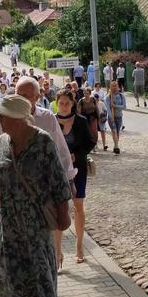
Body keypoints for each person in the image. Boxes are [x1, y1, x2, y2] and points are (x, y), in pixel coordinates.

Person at [0, 94, 72, 297]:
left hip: (36, 219)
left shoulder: (43, 142)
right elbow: (0, 172)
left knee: (40, 265)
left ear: (17, 118)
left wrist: (64, 215)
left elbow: (59, 182)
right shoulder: (2, 142)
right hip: (9, 219)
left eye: (3, 117)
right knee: (7, 266)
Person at [0, 77, 76, 269]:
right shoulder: (3, 119)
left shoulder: (47, 118)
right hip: (10, 192)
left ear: (37, 97)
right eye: (18, 94)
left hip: (41, 194)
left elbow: (61, 152)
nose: (21, 98)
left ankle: (52, 261)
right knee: (13, 242)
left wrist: (69, 179)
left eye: (26, 95)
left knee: (40, 241)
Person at [56, 90, 94, 263]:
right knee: (58, 208)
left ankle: (79, 246)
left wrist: (76, 155)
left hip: (77, 169)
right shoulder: (51, 121)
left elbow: (89, 142)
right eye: (61, 103)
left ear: (72, 104)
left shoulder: (80, 121)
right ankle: (57, 252)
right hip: (57, 171)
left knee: (78, 205)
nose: (64, 106)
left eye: (67, 103)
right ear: (56, 103)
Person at [105, 80, 126, 154]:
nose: (114, 87)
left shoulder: (121, 96)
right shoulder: (108, 97)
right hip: (111, 117)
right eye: (113, 86)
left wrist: (115, 106)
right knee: (114, 131)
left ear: (118, 87)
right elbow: (108, 108)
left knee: (117, 132)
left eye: (115, 85)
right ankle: (117, 147)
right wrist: (111, 118)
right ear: (110, 87)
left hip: (119, 116)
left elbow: (124, 107)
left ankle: (115, 145)